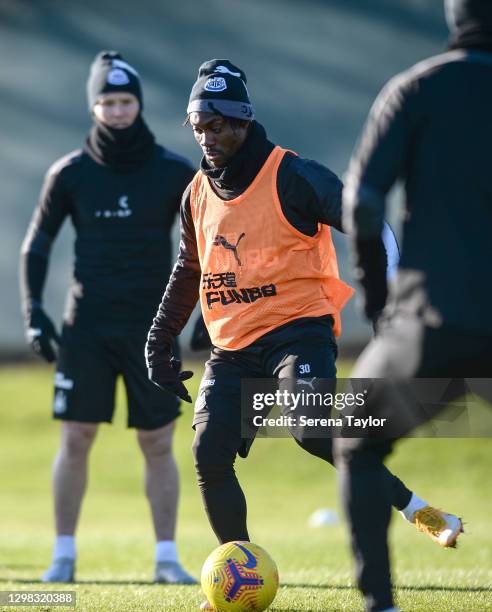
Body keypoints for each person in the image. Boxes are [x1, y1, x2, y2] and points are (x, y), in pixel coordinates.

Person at [145, 59, 463, 609]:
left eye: (218, 124)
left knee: (310, 428)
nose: (208, 136)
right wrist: (159, 340)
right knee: (207, 451)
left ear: (244, 122)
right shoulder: (196, 193)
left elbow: (368, 220)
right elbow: (187, 270)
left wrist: (391, 294)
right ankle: (237, 574)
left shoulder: (292, 174)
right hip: (232, 347)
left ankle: (418, 509)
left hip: (299, 333)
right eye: (199, 125)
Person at [335, 0, 492, 609]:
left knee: (354, 435)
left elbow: (363, 206)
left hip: (433, 320)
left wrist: (381, 308)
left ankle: (381, 603)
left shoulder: (415, 89)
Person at [20, 51, 197, 585]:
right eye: (107, 102)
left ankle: (167, 559)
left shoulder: (173, 172)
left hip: (152, 328)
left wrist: (205, 316)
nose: (117, 111)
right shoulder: (70, 173)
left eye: (125, 101)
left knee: (159, 441)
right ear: (94, 107)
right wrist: (34, 311)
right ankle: (63, 558)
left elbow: (207, 247)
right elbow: (37, 246)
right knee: (76, 437)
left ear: (138, 104)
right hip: (87, 328)